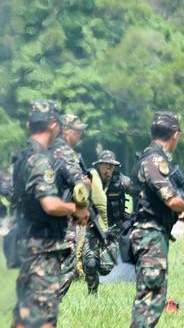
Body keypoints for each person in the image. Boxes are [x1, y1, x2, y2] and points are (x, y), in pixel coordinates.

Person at [11, 100, 89, 327]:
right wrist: (77, 210)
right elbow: (50, 204)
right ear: (54, 126)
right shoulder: (41, 159)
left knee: (25, 314)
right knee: (44, 317)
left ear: (28, 125)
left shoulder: (22, 157)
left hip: (26, 243)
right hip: (43, 248)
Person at [129, 111, 184, 327]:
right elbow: (171, 201)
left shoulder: (151, 157)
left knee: (152, 296)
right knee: (151, 299)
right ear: (175, 135)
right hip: (149, 235)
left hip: (153, 234)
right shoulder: (154, 160)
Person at [81, 149, 132, 294]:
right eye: (105, 165)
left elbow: (139, 195)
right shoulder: (90, 180)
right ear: (99, 165)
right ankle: (92, 293)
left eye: (111, 165)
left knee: (105, 268)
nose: (108, 168)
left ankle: (99, 270)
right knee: (90, 263)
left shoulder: (123, 182)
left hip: (114, 230)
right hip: (94, 228)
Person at [52, 114, 92, 300]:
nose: (80, 136)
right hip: (61, 219)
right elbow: (82, 185)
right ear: (66, 131)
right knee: (67, 268)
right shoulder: (65, 153)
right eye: (79, 131)